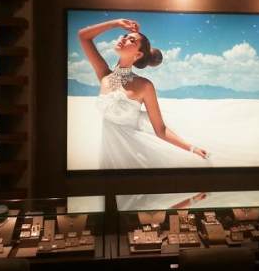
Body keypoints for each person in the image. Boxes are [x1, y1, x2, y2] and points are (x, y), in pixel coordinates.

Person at [78, 18, 209, 169]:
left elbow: (161, 130)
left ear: (138, 55)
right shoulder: (105, 76)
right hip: (108, 158)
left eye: (131, 40)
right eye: (125, 36)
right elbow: (83, 36)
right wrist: (116, 23)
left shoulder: (144, 86)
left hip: (135, 158)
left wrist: (192, 148)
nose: (124, 39)